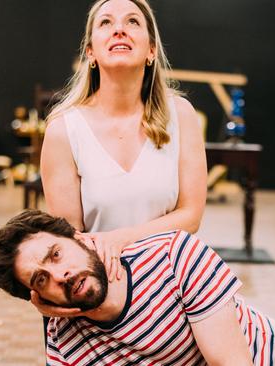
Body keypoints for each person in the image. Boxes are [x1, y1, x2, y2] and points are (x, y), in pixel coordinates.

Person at [0, 210, 275, 366]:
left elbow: (230, 364)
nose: (60, 275)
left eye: (56, 254)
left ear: (80, 238)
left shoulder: (173, 255)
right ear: (37, 298)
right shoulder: (67, 347)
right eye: (41, 279)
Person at [38, 0, 207, 317]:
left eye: (132, 21)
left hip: (171, 288)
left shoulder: (181, 115)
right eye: (105, 23)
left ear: (151, 51)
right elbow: (71, 238)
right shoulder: (64, 129)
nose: (119, 29)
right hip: (101, 295)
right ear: (90, 52)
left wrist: (118, 239)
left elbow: (191, 216)